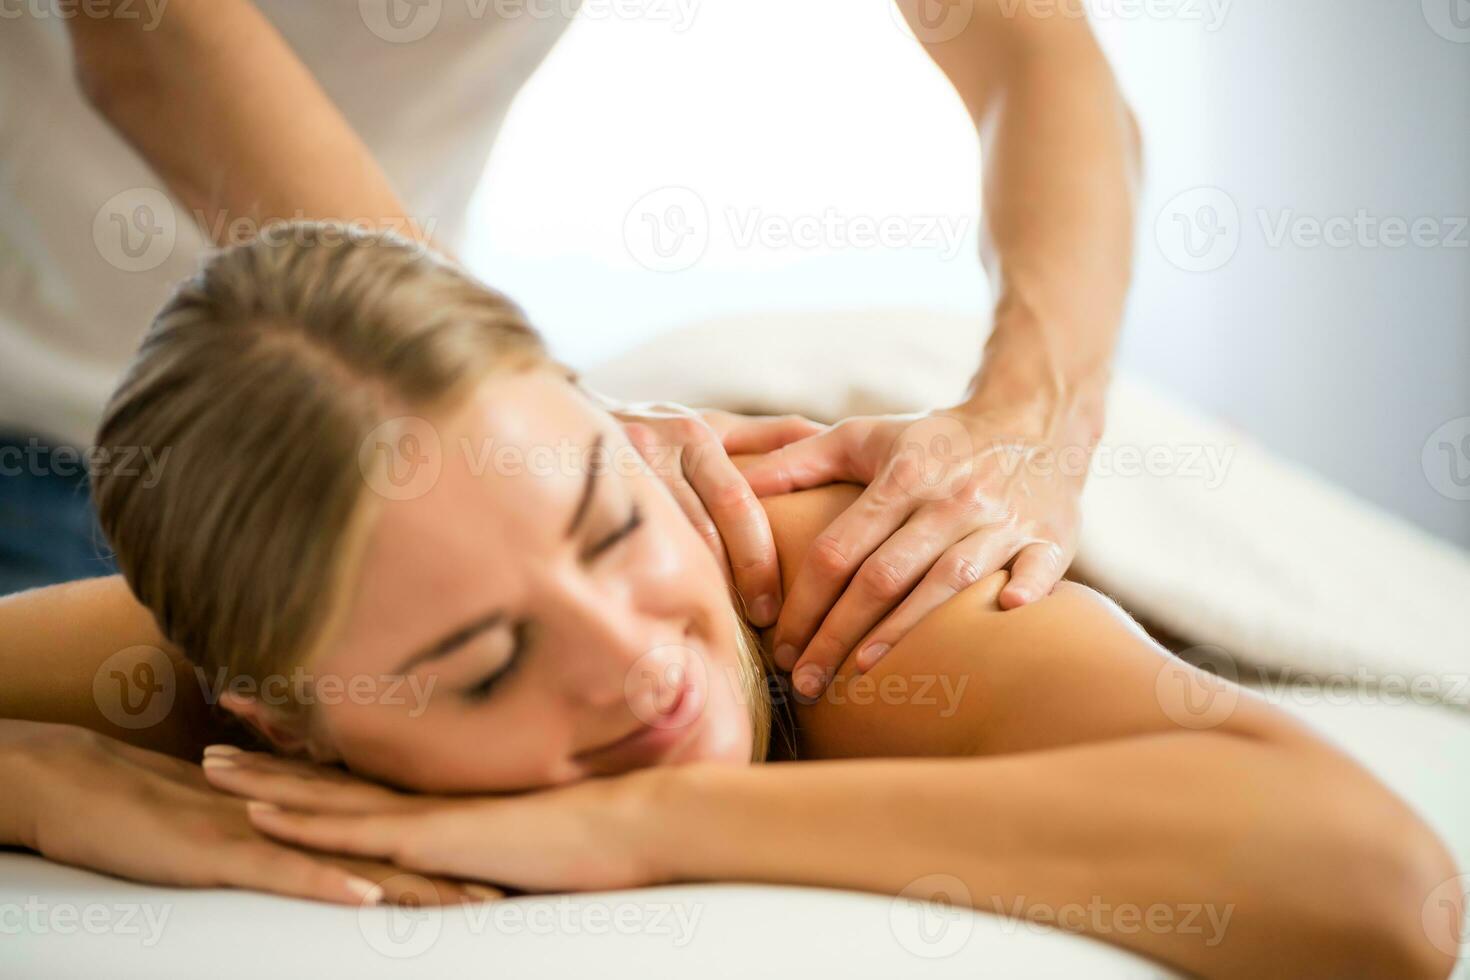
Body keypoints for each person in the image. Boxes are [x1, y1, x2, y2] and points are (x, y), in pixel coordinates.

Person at [0, 227, 1459, 979]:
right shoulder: (233, 644)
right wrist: (38, 775)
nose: (631, 661)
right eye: (485, 662)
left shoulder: (860, 606)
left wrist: (629, 824)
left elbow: (1386, 896)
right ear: (281, 716)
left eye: (612, 526)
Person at [1, 0, 1140, 687]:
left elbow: (1038, 54)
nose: (634, 655)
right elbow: (147, 40)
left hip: (387, 456)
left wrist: (1030, 423)